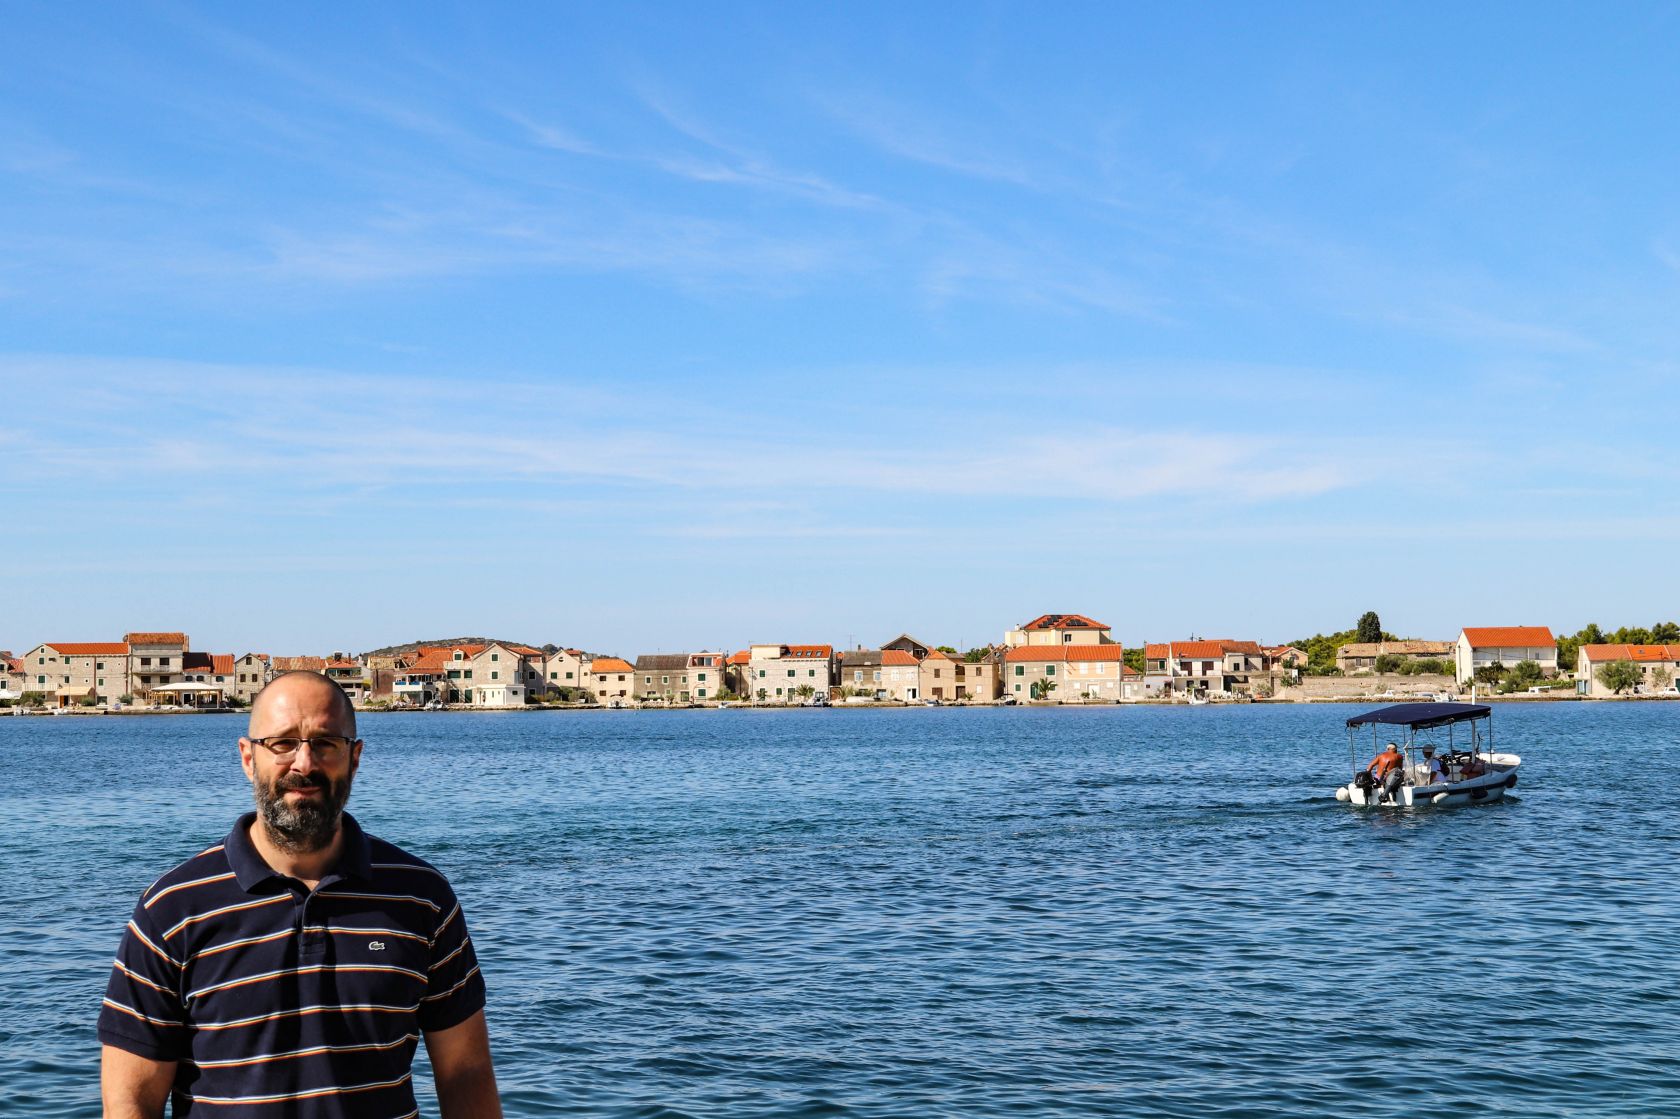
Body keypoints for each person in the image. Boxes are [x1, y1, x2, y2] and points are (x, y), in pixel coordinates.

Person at [99, 671, 501, 1118]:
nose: (304, 764)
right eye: (282, 743)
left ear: (355, 758)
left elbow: (465, 1073)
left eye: (326, 743)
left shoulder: (422, 899)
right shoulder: (172, 909)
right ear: (248, 758)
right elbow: (131, 1100)